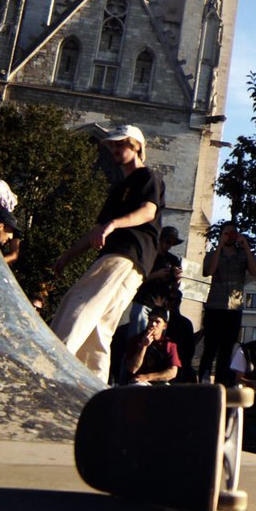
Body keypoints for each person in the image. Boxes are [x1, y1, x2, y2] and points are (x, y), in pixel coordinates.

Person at [49, 124, 163, 383]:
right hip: (124, 262)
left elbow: (148, 211)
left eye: (120, 144)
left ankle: (54, 365)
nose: (113, 148)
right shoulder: (118, 188)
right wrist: (67, 257)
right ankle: (91, 388)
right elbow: (95, 232)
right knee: (99, 330)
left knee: (79, 304)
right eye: (112, 144)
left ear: (136, 146)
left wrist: (114, 224)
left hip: (128, 255)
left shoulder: (148, 177)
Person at [200, 222, 256, 384]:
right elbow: (209, 271)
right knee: (210, 345)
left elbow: (255, 272)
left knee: (227, 348)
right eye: (226, 233)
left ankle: (222, 382)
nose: (230, 236)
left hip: (234, 309)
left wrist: (245, 246)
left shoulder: (242, 255)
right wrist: (219, 246)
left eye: (232, 233)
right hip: (215, 306)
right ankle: (203, 378)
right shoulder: (212, 254)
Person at [123, 309, 180, 385]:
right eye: (151, 320)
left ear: (164, 326)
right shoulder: (136, 340)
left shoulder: (169, 344)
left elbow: (172, 372)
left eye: (157, 322)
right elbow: (132, 369)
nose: (153, 324)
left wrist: (148, 377)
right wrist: (143, 346)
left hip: (158, 381)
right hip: (138, 382)